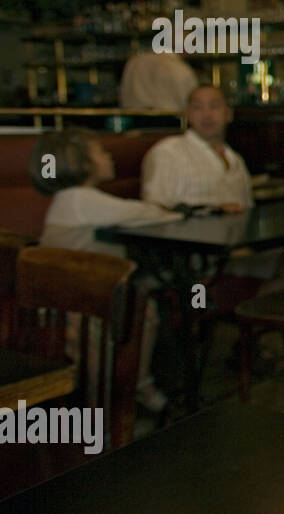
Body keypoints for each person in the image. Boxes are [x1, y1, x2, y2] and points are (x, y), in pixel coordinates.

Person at [28, 128, 183, 413]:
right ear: (80, 161)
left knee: (146, 294)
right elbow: (144, 213)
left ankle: (126, 392)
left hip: (68, 299)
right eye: (100, 150)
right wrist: (177, 211)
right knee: (143, 309)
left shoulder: (75, 199)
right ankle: (134, 390)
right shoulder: (79, 199)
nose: (109, 155)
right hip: (75, 307)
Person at [142, 85, 284, 292]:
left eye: (214, 106)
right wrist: (213, 210)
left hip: (239, 251)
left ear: (228, 114)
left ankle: (257, 310)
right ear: (187, 114)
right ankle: (253, 310)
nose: (207, 114)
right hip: (197, 261)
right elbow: (152, 211)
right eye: (198, 107)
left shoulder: (235, 160)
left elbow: (247, 215)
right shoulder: (168, 153)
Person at [119, 48, 199, 112]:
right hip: (171, 124)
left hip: (133, 124)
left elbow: (123, 93)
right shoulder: (180, 68)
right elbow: (194, 103)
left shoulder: (134, 62)